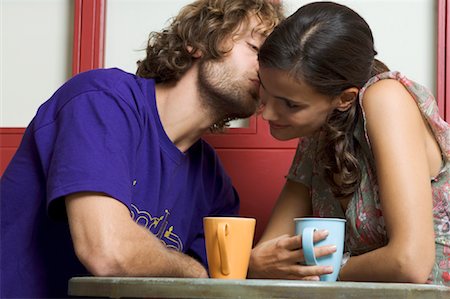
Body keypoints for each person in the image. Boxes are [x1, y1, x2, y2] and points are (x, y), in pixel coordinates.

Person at [0, 1, 284, 297]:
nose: (266, 71)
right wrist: (196, 272)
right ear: (198, 42)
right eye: (255, 49)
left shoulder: (214, 184)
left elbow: (216, 287)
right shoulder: (102, 100)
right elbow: (108, 253)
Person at [248, 1, 450, 285]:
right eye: (265, 90)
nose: (266, 112)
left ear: (344, 99)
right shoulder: (319, 130)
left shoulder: (386, 98)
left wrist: (322, 269)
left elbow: (410, 263)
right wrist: (256, 263)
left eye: (291, 105)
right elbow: (270, 255)